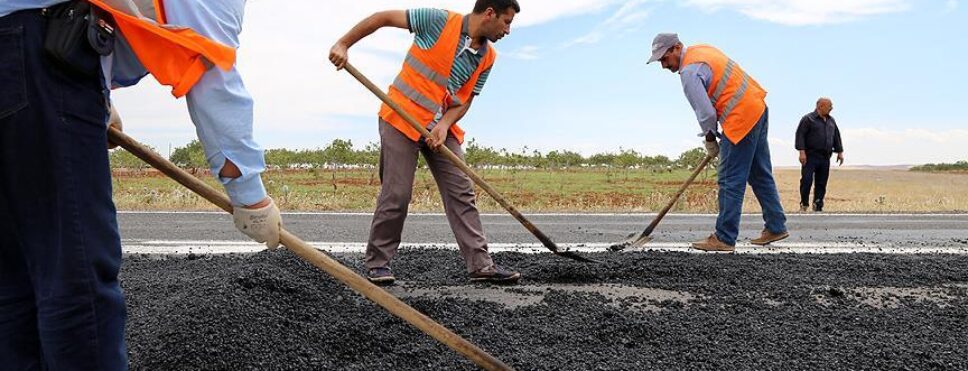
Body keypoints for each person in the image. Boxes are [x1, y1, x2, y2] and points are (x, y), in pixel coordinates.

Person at [0, 1, 279, 369]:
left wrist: (95, 94)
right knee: (77, 285)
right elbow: (212, 70)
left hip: (22, 53)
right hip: (40, 55)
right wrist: (250, 197)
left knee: (14, 282)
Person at [329, 0, 521, 285]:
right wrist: (343, 44)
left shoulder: (487, 56)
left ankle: (481, 265)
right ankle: (378, 263)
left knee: (461, 191)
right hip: (401, 117)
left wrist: (444, 125)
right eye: (506, 22)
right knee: (397, 193)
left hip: (440, 127)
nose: (508, 30)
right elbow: (382, 17)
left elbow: (464, 100)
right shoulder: (436, 21)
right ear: (490, 13)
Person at [647, 33, 789, 252]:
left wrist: (710, 138)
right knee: (760, 173)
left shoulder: (689, 72)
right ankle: (776, 226)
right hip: (757, 108)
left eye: (664, 59)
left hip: (741, 118)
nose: (663, 66)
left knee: (729, 179)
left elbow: (705, 113)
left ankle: (724, 237)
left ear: (676, 48)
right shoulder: (702, 49)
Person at [795, 97, 844, 212]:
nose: (831, 108)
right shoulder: (808, 119)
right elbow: (800, 135)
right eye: (829, 106)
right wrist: (802, 152)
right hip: (810, 156)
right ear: (820, 106)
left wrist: (840, 152)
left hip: (825, 156)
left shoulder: (831, 121)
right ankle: (804, 203)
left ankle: (818, 205)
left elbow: (836, 136)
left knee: (821, 182)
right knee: (806, 180)